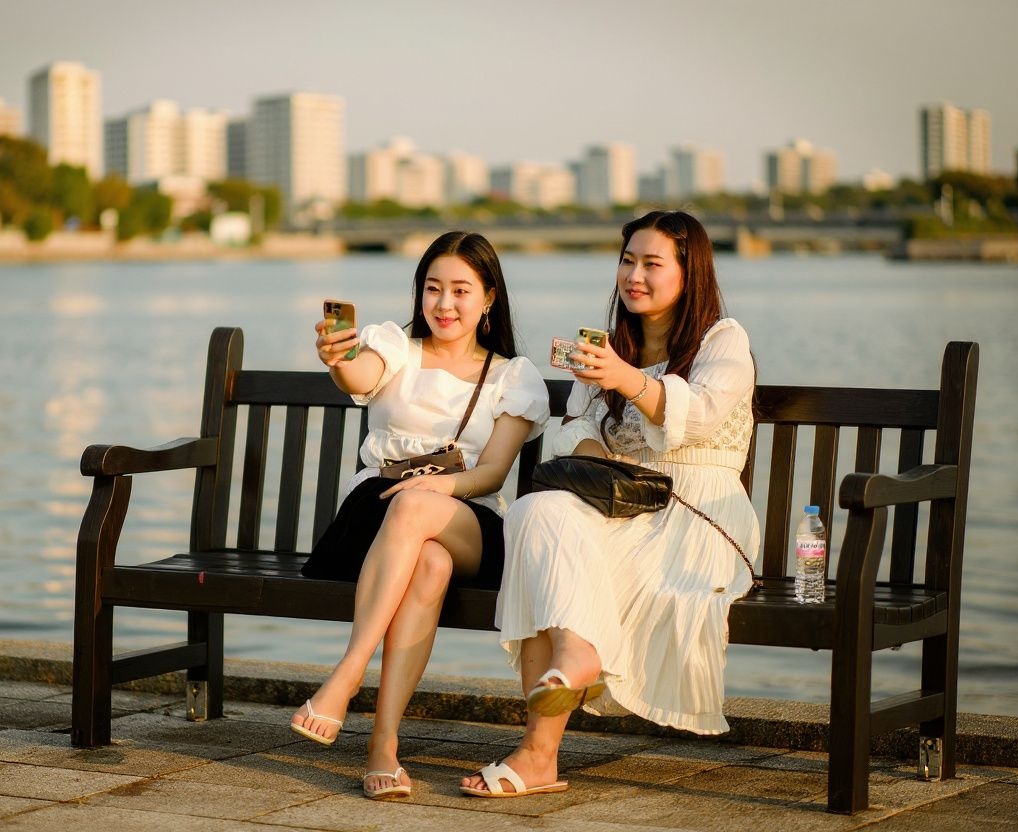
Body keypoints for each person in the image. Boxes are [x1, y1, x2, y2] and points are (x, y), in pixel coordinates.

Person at [461, 210, 760, 798]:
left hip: (696, 515)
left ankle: (538, 754)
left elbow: (699, 413)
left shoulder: (722, 340)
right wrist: (599, 427)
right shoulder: (607, 348)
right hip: (619, 505)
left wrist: (625, 379)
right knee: (531, 513)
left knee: (557, 570)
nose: (634, 275)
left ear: (688, 272)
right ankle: (574, 656)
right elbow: (573, 433)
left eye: (652, 263)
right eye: (628, 261)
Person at [291, 230, 550, 800]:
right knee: (426, 562)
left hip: (470, 521)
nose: (444, 304)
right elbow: (359, 375)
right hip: (377, 518)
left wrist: (436, 489)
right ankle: (383, 746)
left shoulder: (514, 377)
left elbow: (491, 475)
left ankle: (347, 675)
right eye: (433, 288)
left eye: (461, 290)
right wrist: (339, 356)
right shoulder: (396, 348)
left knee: (420, 510)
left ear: (488, 299)